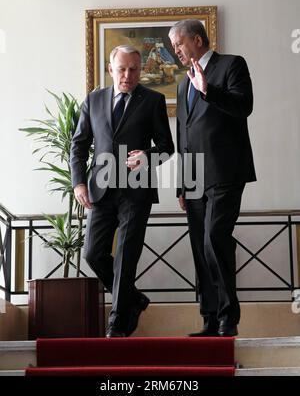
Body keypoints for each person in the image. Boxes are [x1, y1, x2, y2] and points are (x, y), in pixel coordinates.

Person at [70, 45, 174, 338]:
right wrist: (78, 182)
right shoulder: (94, 99)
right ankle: (135, 299)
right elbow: (78, 145)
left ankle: (116, 324)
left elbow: (167, 147)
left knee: (127, 255)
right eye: (122, 69)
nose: (128, 75)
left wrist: (148, 156)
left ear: (141, 70)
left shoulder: (152, 100)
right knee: (92, 254)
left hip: (136, 191)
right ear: (110, 69)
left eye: (134, 70)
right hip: (100, 190)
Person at [168, 19, 256, 337]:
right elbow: (184, 136)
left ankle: (228, 318)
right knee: (199, 247)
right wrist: (181, 182)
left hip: (226, 171)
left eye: (178, 44)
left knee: (214, 239)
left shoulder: (232, 65)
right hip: (193, 179)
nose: (175, 50)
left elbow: (244, 106)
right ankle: (209, 318)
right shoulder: (181, 84)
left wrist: (208, 90)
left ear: (198, 40)